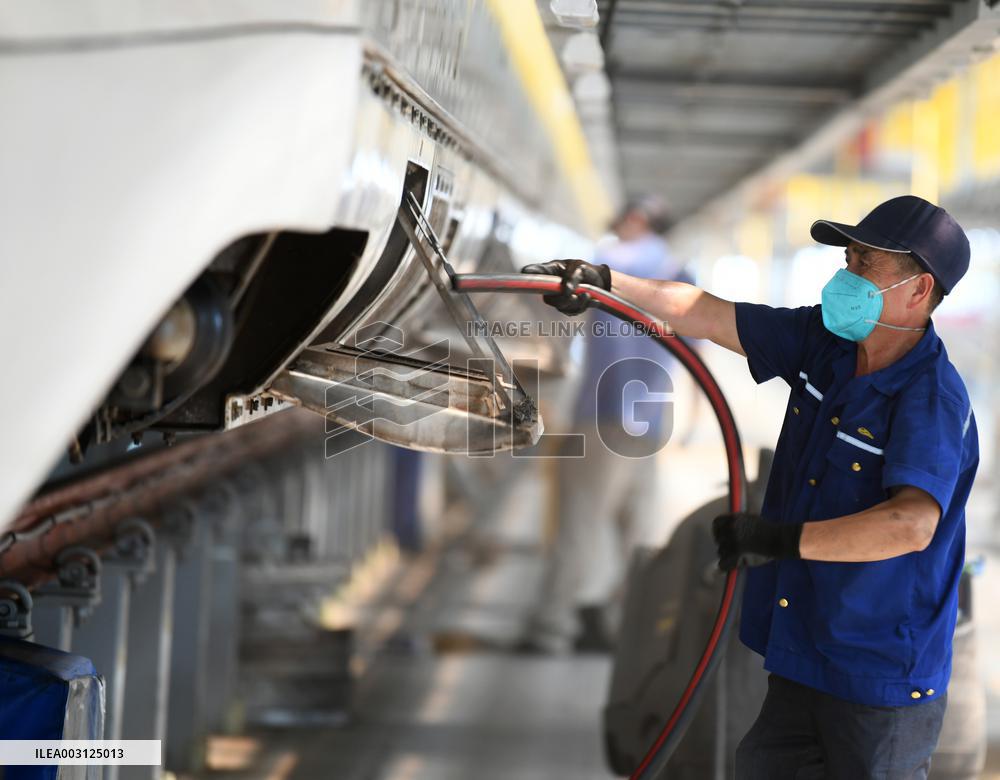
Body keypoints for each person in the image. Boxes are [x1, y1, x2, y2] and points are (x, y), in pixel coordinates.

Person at [525, 195, 978, 779]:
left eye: (866, 264)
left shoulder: (930, 399)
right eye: (848, 259)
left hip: (878, 676)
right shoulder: (825, 345)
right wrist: (606, 284)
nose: (847, 275)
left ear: (920, 290)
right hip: (804, 652)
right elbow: (707, 313)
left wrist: (780, 540)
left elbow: (911, 525)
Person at [517, 196, 691, 655]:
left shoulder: (613, 262)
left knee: (579, 520)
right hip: (650, 414)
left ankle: (550, 628)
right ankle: (623, 626)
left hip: (606, 412)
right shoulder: (679, 270)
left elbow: (558, 316)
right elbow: (697, 347)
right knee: (636, 526)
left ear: (632, 221)